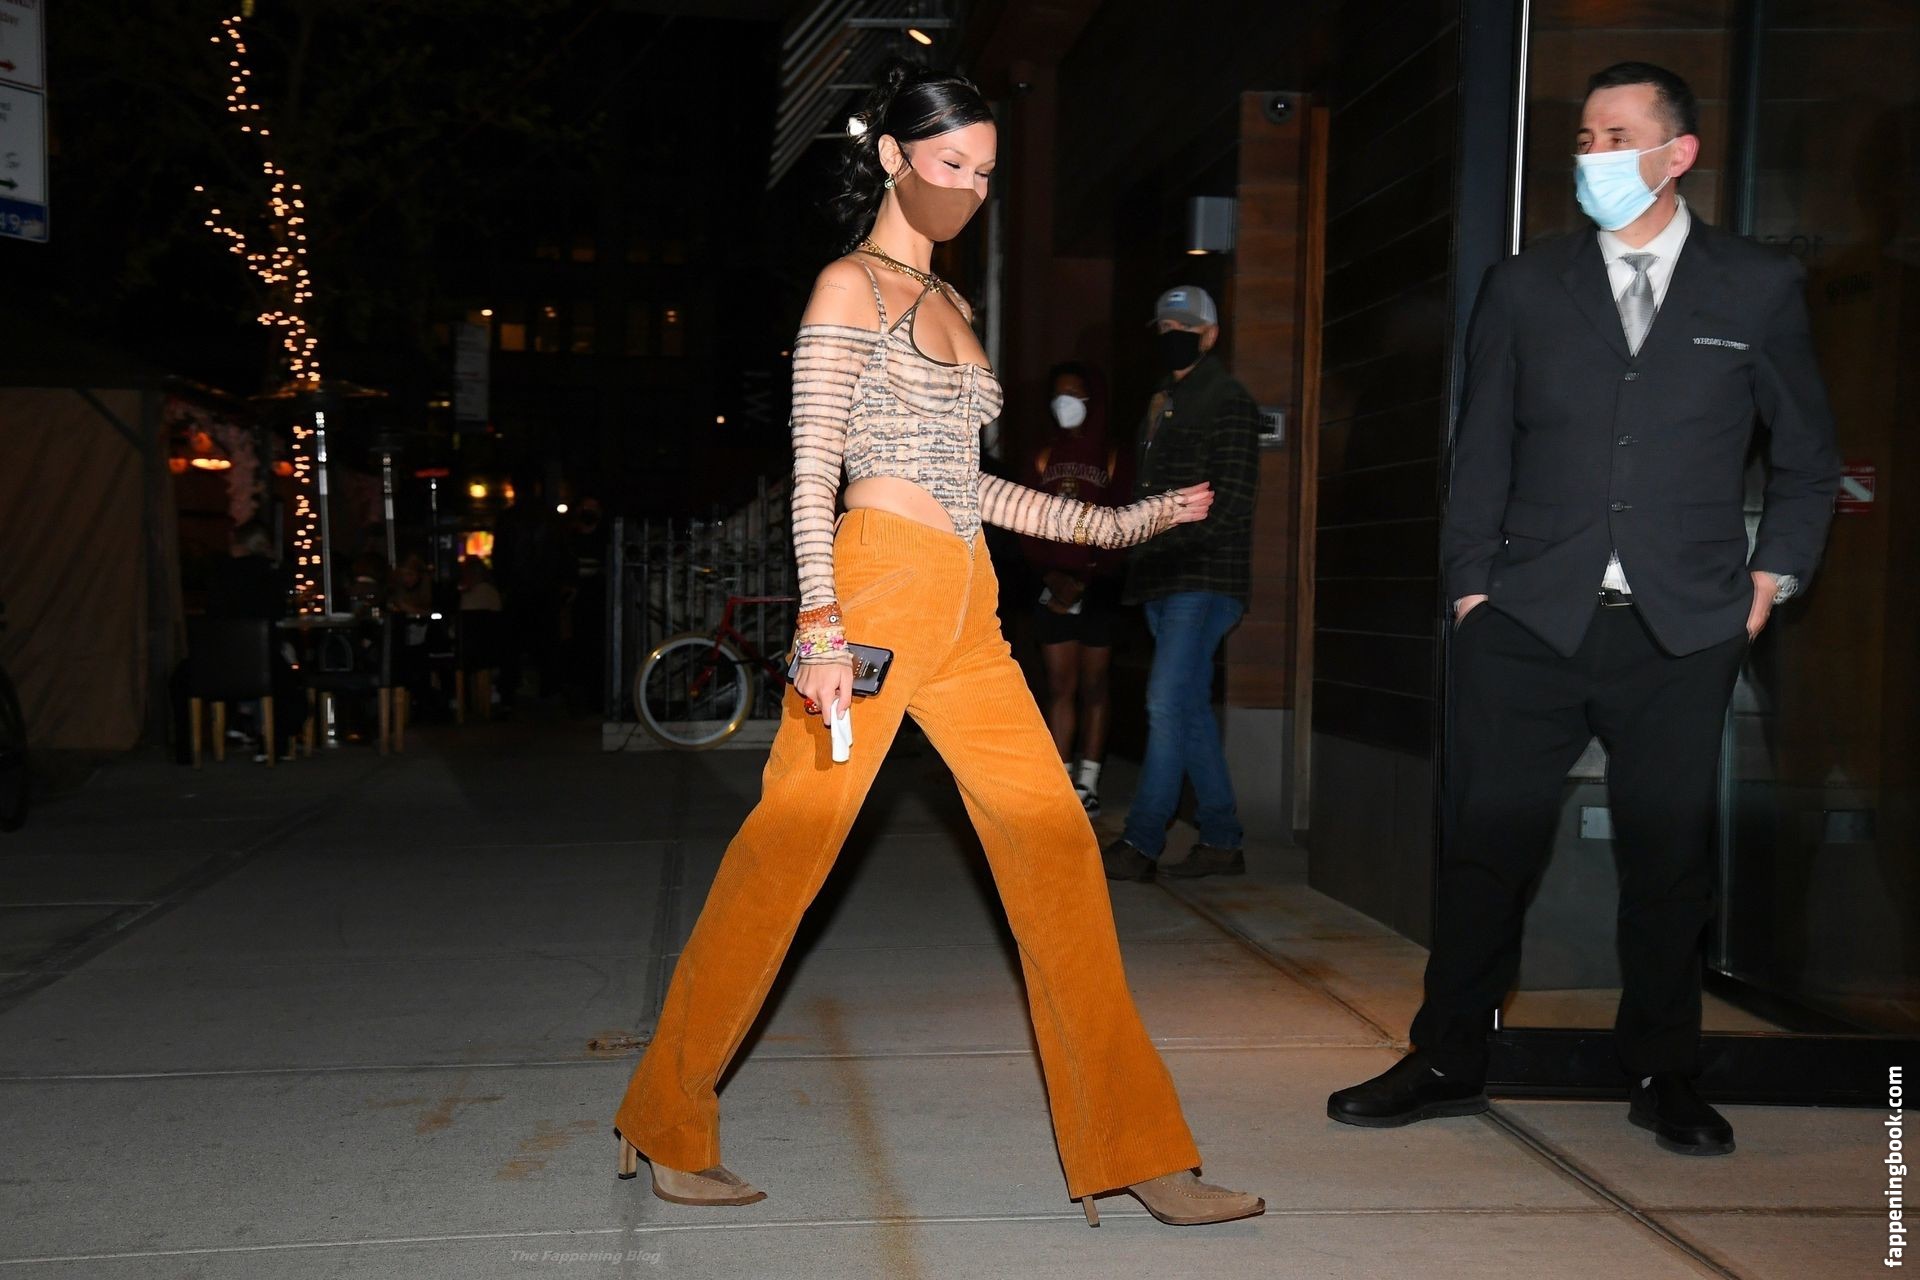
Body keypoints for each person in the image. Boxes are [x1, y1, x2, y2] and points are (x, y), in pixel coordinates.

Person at [611, 60, 1263, 1228]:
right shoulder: (847, 288)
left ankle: (1136, 1144)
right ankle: (663, 1115)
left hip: (967, 604)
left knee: (1057, 850)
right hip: (873, 592)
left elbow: (975, 489)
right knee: (788, 851)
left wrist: (1124, 522)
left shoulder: (953, 303)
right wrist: (821, 622)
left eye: (986, 173)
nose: (968, 187)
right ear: (892, 157)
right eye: (950, 163)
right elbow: (815, 467)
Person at [1327, 63, 1840, 1156]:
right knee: (1486, 847)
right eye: (1585, 137)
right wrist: (1472, 589)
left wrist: (1769, 582)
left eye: (1616, 135)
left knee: (1669, 861)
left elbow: (1806, 459)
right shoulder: (1525, 285)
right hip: (1527, 618)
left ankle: (1662, 1068)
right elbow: (1480, 451)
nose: (1593, 155)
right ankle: (1448, 1054)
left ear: (1678, 153)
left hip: (1682, 627)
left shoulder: (1756, 288)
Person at [1101, 286, 1262, 882]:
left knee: (1166, 703)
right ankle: (1221, 839)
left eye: (1185, 326)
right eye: (1165, 326)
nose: (1174, 334)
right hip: (1161, 580)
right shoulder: (1160, 400)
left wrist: (1160, 543)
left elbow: (1233, 502)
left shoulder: (1229, 401)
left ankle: (1142, 841)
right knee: (1187, 709)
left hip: (1202, 578)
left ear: (1210, 334)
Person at [1020, 361, 1129, 817]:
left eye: (1073, 394)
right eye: (1057, 395)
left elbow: (1124, 521)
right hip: (1054, 589)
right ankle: (1062, 781)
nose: (1064, 403)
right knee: (1060, 684)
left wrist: (1089, 579)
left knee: (1095, 685)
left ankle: (1089, 782)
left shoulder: (1112, 456)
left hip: (1099, 588)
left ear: (1091, 398)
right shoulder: (1042, 456)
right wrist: (1052, 578)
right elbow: (1025, 522)